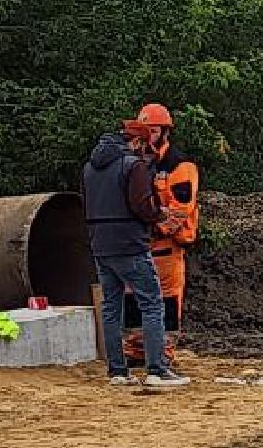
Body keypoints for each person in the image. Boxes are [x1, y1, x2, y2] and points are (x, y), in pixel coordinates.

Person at [82, 117, 188, 386]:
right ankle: (157, 370)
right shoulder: (134, 165)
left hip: (100, 244)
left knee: (111, 307)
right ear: (137, 141)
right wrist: (159, 215)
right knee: (152, 303)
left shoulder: (90, 168)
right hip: (130, 243)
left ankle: (117, 371)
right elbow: (141, 204)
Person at [124, 103, 198, 367]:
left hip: (166, 245)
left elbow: (180, 210)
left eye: (153, 131)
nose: (148, 136)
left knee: (166, 299)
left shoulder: (179, 165)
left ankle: (164, 351)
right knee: (132, 296)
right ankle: (135, 350)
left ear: (165, 132)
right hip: (140, 244)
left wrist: (153, 223)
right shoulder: (137, 163)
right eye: (145, 131)